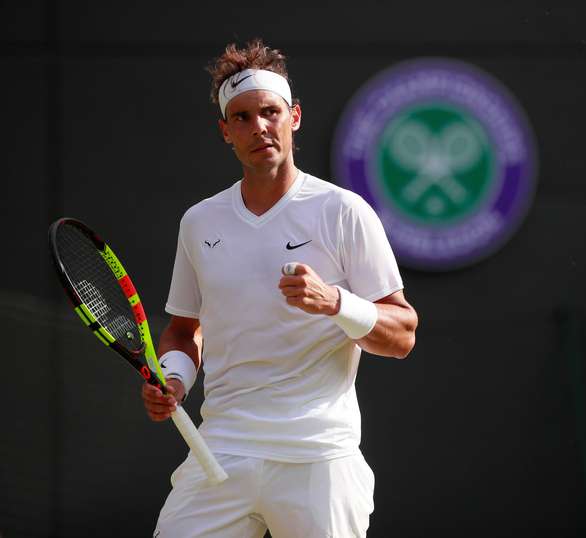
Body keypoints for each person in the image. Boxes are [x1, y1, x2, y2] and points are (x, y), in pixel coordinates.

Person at [141, 39, 418, 537]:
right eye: (242, 117)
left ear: (294, 117)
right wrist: (174, 376)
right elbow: (185, 329)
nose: (259, 127)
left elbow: (402, 335)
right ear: (226, 132)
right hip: (221, 452)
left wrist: (334, 302)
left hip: (317, 460)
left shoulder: (343, 211)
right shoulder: (199, 222)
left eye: (270, 112)